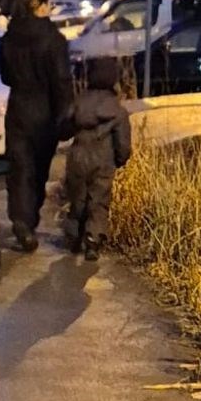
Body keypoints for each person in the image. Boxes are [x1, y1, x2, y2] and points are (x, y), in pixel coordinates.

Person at [0, 0, 75, 252]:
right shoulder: (54, 40)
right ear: (40, 6)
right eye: (47, 3)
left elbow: (6, 77)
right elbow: (62, 81)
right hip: (45, 112)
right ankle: (28, 220)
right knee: (38, 170)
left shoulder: (9, 38)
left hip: (18, 109)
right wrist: (66, 116)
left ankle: (21, 220)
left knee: (20, 168)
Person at [65, 56, 132, 261]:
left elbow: (64, 128)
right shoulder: (118, 111)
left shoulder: (78, 103)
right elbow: (123, 144)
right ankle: (92, 240)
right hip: (103, 160)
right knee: (99, 201)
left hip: (78, 157)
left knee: (77, 198)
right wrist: (120, 160)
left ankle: (74, 235)